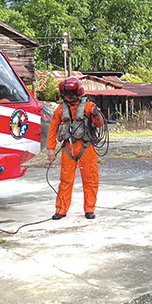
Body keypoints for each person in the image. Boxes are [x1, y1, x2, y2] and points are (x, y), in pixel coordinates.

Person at [47, 77, 104, 219]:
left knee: (90, 179)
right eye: (66, 94)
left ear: (78, 93)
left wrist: (96, 115)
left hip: (87, 147)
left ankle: (89, 209)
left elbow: (100, 124)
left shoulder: (88, 107)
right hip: (69, 148)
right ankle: (61, 210)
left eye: (71, 94)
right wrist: (50, 148)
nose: (69, 97)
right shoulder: (61, 110)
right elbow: (53, 129)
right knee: (65, 180)